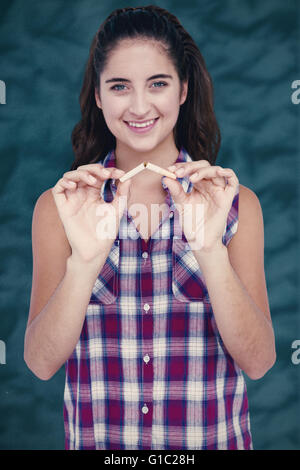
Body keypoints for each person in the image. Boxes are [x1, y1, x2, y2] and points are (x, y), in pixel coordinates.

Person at [24, 5, 276, 450]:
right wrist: (84, 264)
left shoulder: (236, 204)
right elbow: (41, 363)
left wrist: (211, 252)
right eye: (119, 86)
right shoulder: (59, 208)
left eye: (157, 84)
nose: (139, 106)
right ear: (99, 96)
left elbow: (258, 362)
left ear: (182, 90)